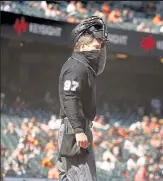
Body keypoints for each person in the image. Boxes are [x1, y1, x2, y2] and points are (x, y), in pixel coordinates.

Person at [57, 16, 108, 181]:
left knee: (71, 177)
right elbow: (69, 98)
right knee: (83, 178)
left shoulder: (85, 66)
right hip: (74, 128)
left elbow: (99, 67)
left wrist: (102, 42)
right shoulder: (76, 67)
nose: (99, 49)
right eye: (96, 46)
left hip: (77, 126)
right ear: (83, 45)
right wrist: (78, 130)